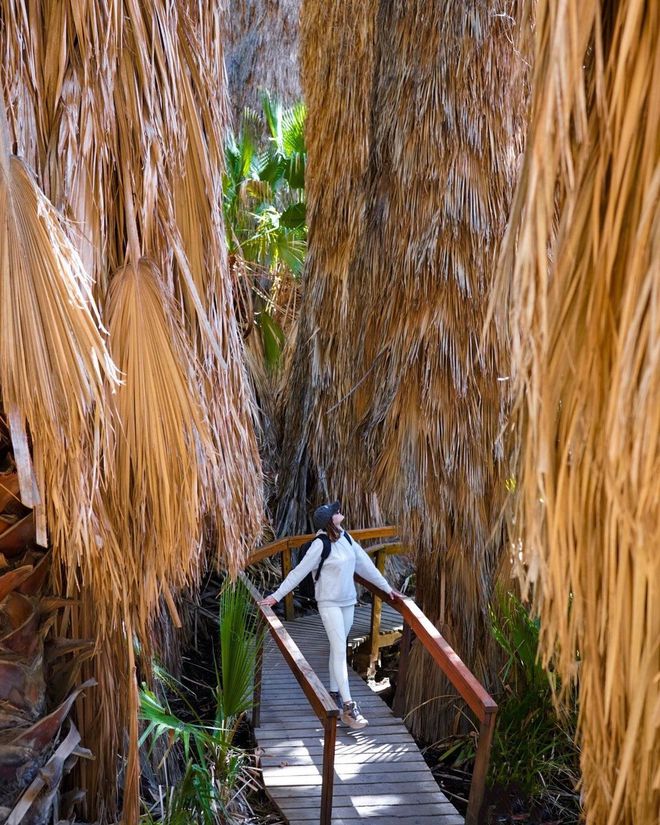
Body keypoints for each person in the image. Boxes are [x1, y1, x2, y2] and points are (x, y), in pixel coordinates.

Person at [259, 501, 403, 729]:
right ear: (329, 520)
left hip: (348, 602)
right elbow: (298, 572)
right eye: (335, 512)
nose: (340, 512)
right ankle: (349, 706)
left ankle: (334, 692)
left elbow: (365, 564)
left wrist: (387, 588)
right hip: (328, 604)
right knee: (338, 650)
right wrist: (276, 596)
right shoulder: (320, 544)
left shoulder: (345, 538)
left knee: (340, 648)